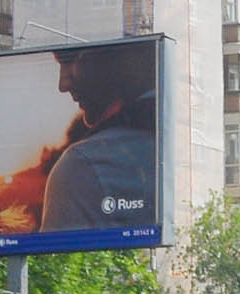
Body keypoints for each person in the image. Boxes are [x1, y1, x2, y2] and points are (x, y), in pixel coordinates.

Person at [40, 46, 158, 232]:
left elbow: (53, 258)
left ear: (114, 57)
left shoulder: (83, 166)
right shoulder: (175, 135)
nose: (63, 85)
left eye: (70, 61)